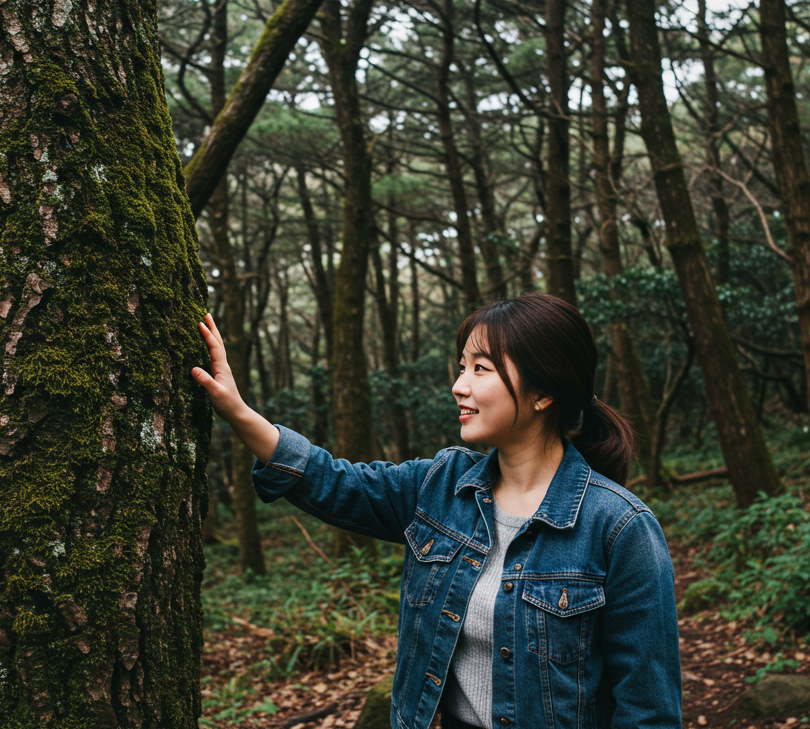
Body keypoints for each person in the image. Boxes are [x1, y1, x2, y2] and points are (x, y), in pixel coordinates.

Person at [191, 293, 683, 729]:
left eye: (480, 369)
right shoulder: (440, 486)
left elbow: (648, 710)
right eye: (461, 366)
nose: (458, 385)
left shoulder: (620, 528)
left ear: (544, 392)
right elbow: (331, 481)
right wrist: (236, 409)